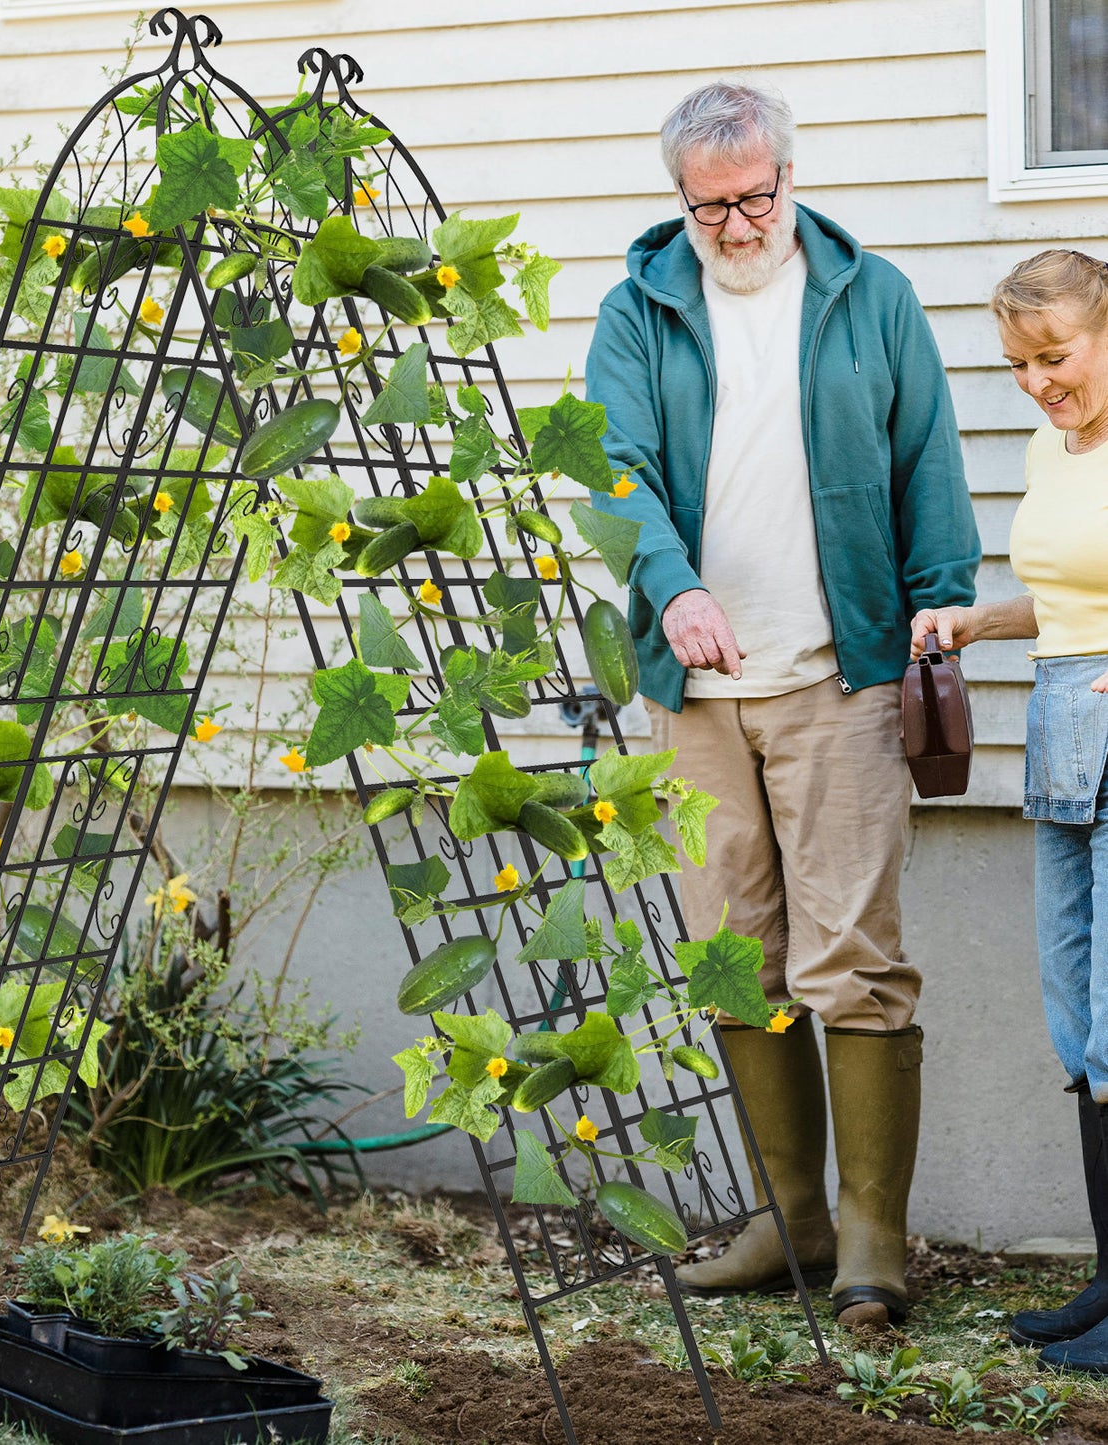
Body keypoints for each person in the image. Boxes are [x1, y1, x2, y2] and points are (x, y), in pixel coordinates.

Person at [584, 81, 981, 1328]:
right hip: (696, 695)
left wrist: (939, 603)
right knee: (729, 958)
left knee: (852, 960)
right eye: (708, 206)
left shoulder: (873, 298)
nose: (736, 225)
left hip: (840, 673)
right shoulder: (638, 309)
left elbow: (930, 463)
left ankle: (872, 1236)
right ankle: (788, 1220)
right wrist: (672, 584)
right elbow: (615, 473)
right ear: (678, 202)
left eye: (754, 197)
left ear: (788, 177)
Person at [911, 249, 1108, 1372]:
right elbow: (1073, 595)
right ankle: (1104, 1273)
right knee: (1074, 1022)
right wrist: (972, 624)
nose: (1035, 381)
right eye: (1017, 364)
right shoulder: (1051, 443)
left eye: (1055, 355)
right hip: (1055, 733)